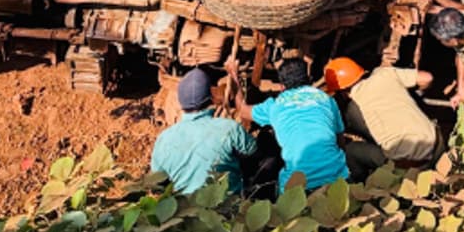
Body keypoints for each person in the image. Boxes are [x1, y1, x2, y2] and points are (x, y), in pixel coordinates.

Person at [236, 58, 348, 192]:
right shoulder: (327, 100)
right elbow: (340, 142)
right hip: (338, 179)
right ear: (308, 79)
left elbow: (242, 110)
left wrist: (234, 76)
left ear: (282, 87)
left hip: (300, 188)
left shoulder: (275, 105)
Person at [151, 69, 256, 195]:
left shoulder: (164, 139)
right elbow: (255, 155)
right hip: (227, 205)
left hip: (183, 205)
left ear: (180, 101)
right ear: (210, 98)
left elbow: (157, 185)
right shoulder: (229, 128)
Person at [324, 58, 439, 170]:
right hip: (437, 145)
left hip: (414, 164)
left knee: (351, 150)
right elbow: (427, 78)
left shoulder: (354, 109)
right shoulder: (384, 74)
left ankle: (362, 180)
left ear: (342, 92)